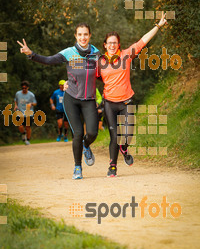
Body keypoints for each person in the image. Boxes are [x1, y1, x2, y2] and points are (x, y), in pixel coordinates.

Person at [17, 23, 100, 179]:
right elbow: (48, 60)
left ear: (90, 35)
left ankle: (86, 145)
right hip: (71, 98)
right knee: (78, 133)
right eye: (80, 34)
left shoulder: (96, 54)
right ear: (75, 36)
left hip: (89, 99)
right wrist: (31, 54)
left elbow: (103, 73)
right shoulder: (69, 53)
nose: (83, 37)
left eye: (86, 34)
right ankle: (77, 168)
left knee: (92, 133)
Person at [98, 12, 167, 177]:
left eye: (115, 43)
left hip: (126, 101)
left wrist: (158, 25)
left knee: (127, 135)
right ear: (105, 45)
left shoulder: (126, 55)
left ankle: (124, 148)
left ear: (119, 44)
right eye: (110, 43)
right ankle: (112, 166)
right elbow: (86, 78)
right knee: (114, 136)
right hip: (109, 103)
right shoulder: (99, 62)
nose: (112, 45)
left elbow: (143, 40)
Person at [14, 80, 37, 145]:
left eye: (25, 88)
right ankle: (23, 134)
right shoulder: (18, 93)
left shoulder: (31, 95)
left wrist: (31, 104)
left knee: (28, 127)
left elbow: (35, 103)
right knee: (20, 126)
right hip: (20, 112)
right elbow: (15, 100)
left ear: (28, 88)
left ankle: (28, 140)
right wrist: (15, 105)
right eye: (23, 88)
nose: (24, 89)